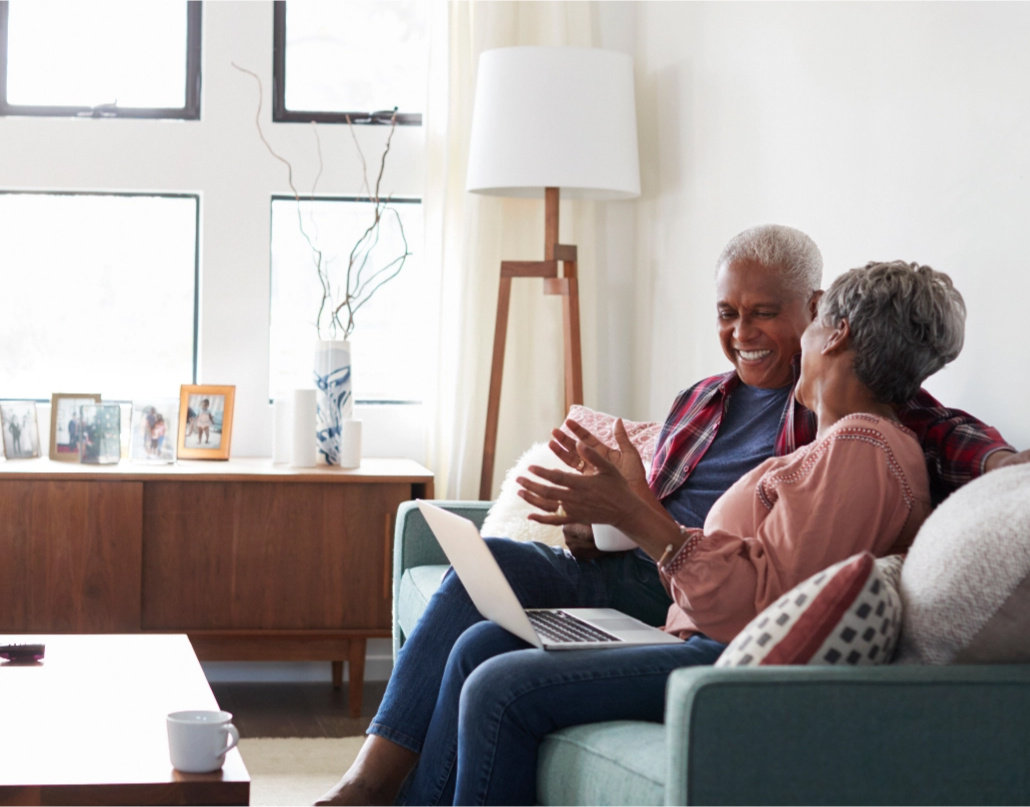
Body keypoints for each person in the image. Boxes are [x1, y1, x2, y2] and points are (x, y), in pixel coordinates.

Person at [317, 226, 1023, 806]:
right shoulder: (751, 412)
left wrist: (996, 464)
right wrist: (599, 517)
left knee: (497, 682)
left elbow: (760, 598)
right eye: (727, 312)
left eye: (771, 315)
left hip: (707, 634)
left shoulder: (861, 443)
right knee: (477, 644)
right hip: (670, 595)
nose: (742, 330)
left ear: (827, 328)